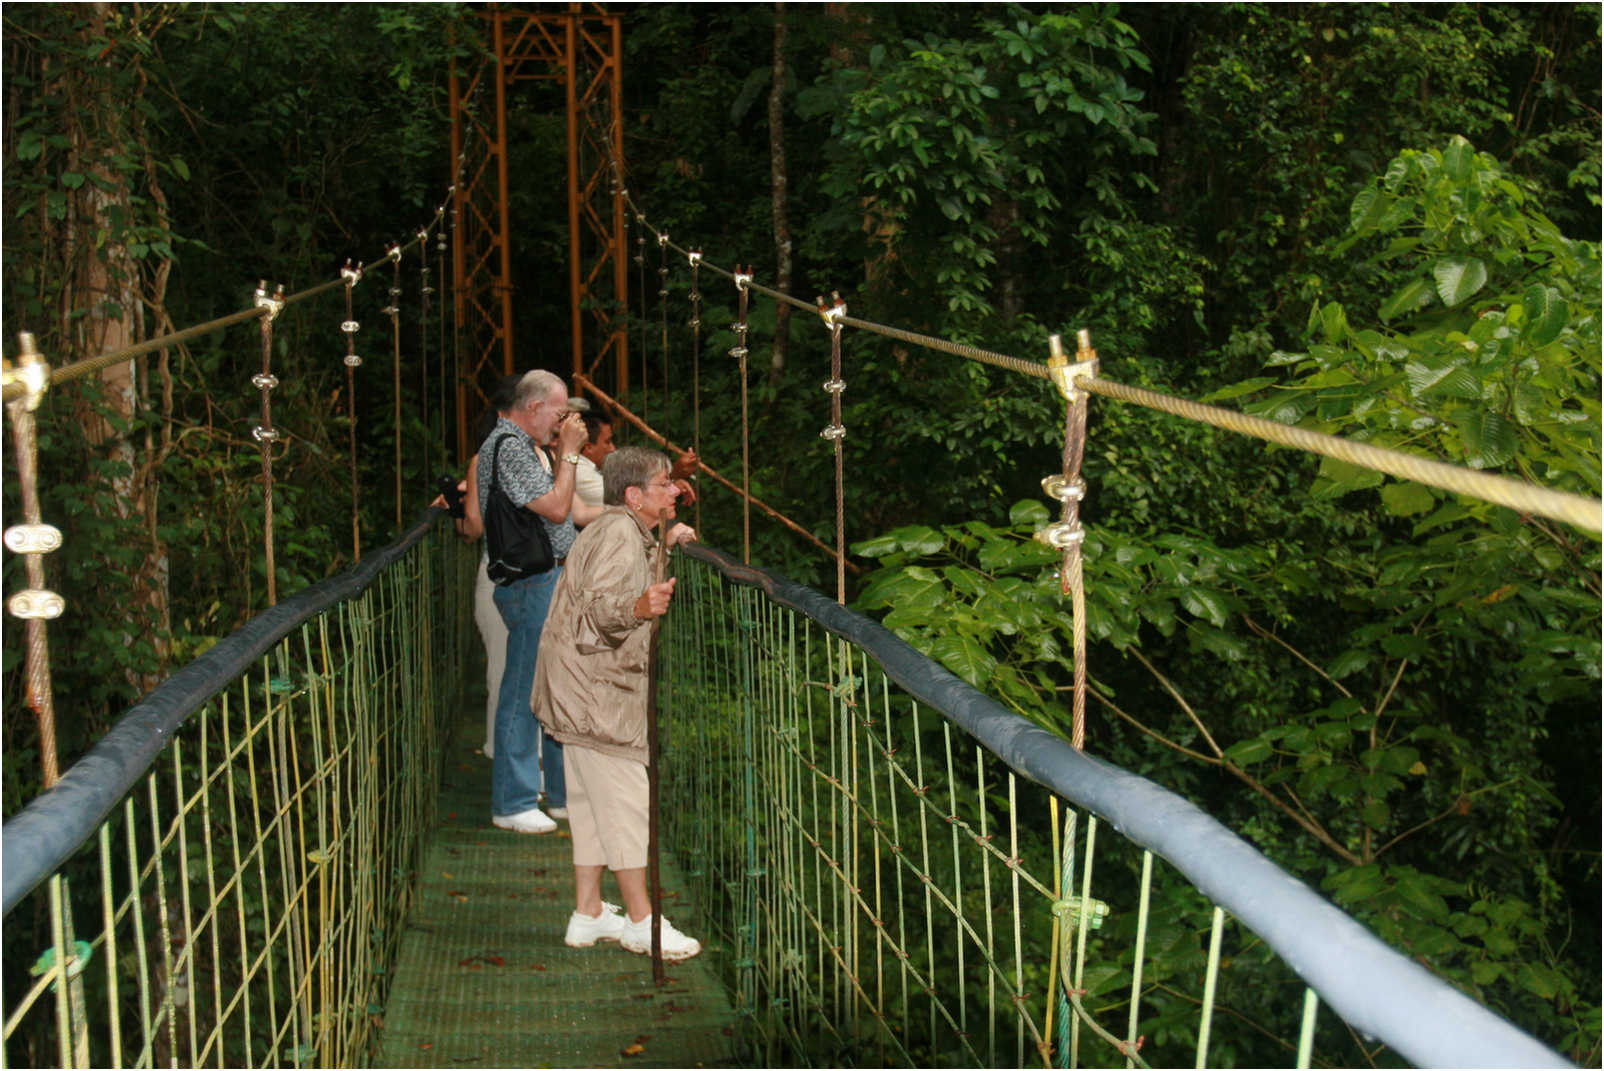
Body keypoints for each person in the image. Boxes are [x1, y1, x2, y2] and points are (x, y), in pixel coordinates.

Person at [531, 445, 702, 960]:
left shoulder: (621, 529)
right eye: (665, 484)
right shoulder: (618, 537)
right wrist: (635, 606)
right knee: (627, 805)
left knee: (587, 805)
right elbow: (601, 607)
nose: (675, 490)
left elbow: (620, 571)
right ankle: (643, 923)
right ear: (634, 495)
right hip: (597, 696)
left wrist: (665, 542)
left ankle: (588, 913)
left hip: (579, 688)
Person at [477, 369, 603, 834]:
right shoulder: (507, 446)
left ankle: (560, 794)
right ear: (532, 408)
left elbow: (568, 510)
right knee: (525, 690)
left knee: (555, 687)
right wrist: (569, 453)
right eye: (559, 410)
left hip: (550, 578)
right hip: (531, 583)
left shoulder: (529, 447)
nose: (565, 419)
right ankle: (512, 801)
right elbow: (554, 508)